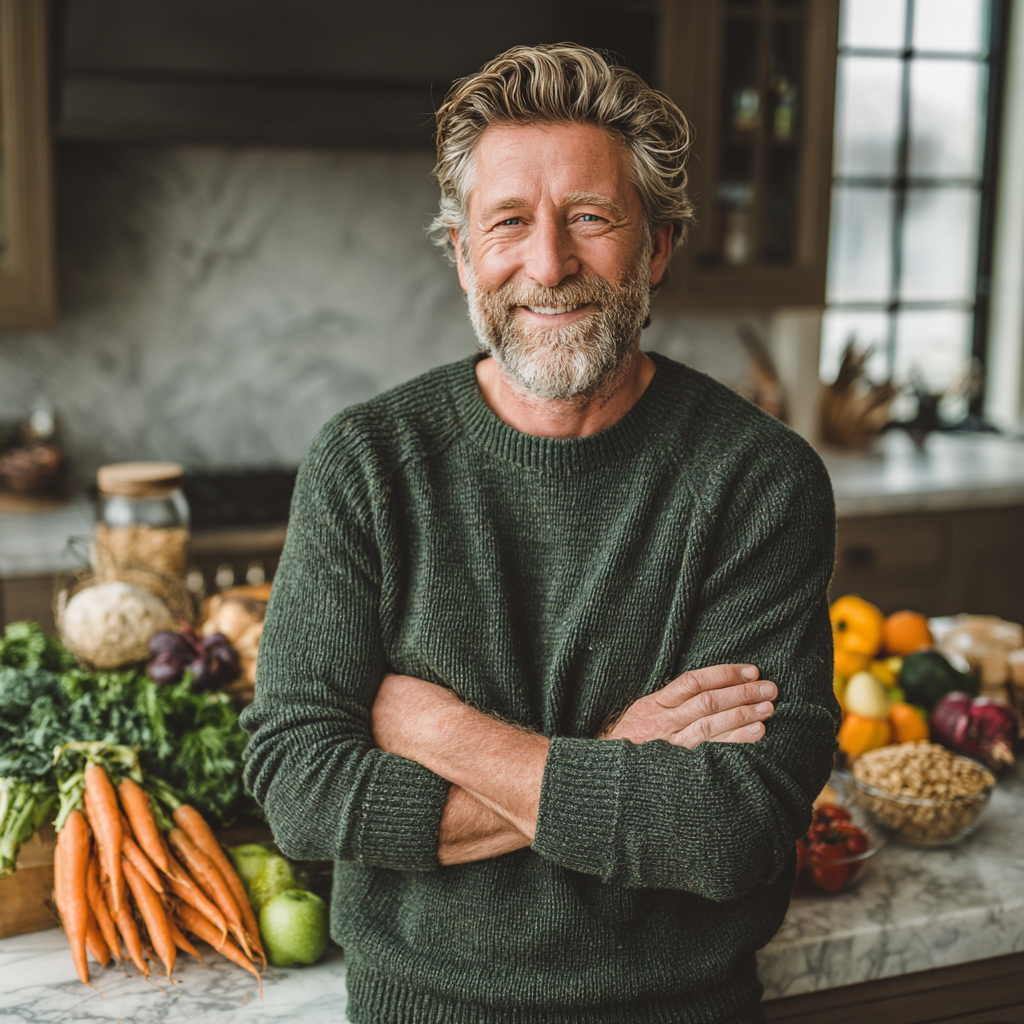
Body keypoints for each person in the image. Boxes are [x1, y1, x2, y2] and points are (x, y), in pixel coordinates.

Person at [241, 43, 839, 1024]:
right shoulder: (365, 463)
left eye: (591, 218)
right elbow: (302, 793)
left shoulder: (758, 481)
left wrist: (434, 727)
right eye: (509, 222)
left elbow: (734, 823)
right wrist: (614, 757)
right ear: (462, 252)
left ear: (654, 247)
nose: (549, 264)